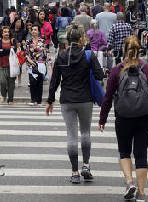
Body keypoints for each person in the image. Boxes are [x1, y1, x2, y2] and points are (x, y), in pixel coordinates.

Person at [99, 36, 148, 202]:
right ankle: (142, 193)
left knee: (124, 151)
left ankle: (130, 183)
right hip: (145, 118)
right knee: (141, 154)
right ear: (140, 51)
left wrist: (102, 119)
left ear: (124, 50)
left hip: (123, 118)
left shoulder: (117, 71)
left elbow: (107, 98)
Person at [46, 23, 103, 184]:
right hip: (85, 99)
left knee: (71, 135)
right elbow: (99, 76)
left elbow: (55, 81)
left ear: (68, 39)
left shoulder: (62, 56)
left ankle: (74, 172)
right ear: (80, 40)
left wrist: (50, 101)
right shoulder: (88, 55)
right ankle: (86, 165)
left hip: (67, 100)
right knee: (85, 132)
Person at [26, 24, 48, 105]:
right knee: (32, 82)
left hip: (41, 64)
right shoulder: (28, 42)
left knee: (39, 83)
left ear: (38, 31)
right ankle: (33, 100)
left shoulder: (42, 41)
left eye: (35, 30)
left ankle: (39, 101)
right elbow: (26, 53)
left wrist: (49, 62)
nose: (33, 31)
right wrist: (30, 61)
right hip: (31, 64)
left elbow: (46, 52)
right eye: (32, 30)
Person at [0, 26, 17, 104]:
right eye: (4, 32)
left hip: (12, 66)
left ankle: (10, 99)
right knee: (2, 82)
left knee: (11, 84)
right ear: (2, 33)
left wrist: (3, 50)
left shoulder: (13, 41)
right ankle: (3, 95)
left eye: (7, 32)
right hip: (1, 65)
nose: (6, 33)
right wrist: (8, 50)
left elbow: (14, 50)